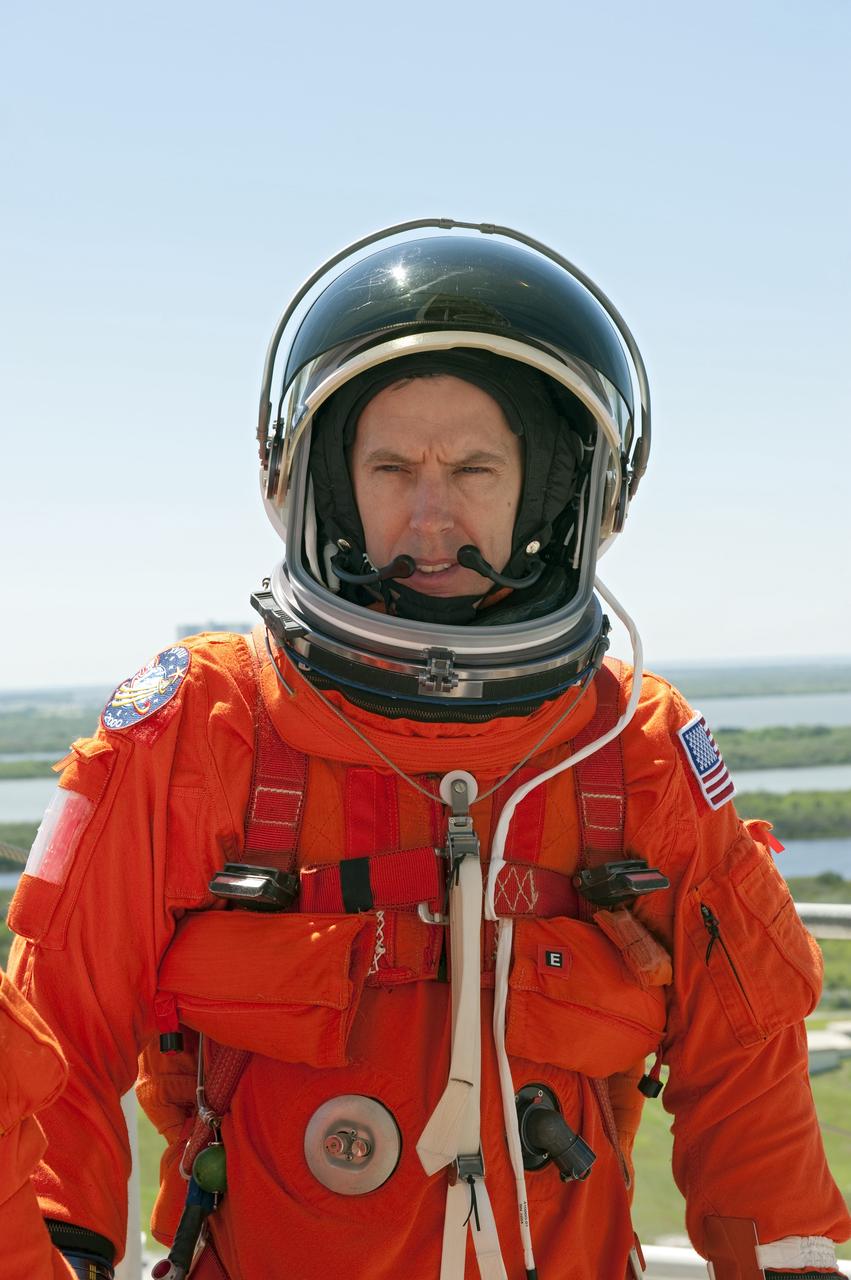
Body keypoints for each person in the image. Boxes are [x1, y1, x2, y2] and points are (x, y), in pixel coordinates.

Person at [7, 219, 850, 1280]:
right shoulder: (205, 731)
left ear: (557, 490)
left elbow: (747, 1072)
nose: (431, 514)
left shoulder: (630, 749)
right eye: (391, 465)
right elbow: (56, 1053)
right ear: (323, 484)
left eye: (476, 468)